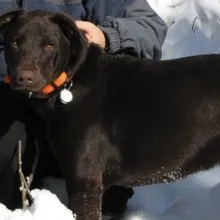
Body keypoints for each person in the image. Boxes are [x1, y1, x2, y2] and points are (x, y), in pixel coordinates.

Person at [0, 0, 167, 216]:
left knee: (102, 199)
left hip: (79, 106)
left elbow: (150, 26)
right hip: (12, 99)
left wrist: (106, 37)